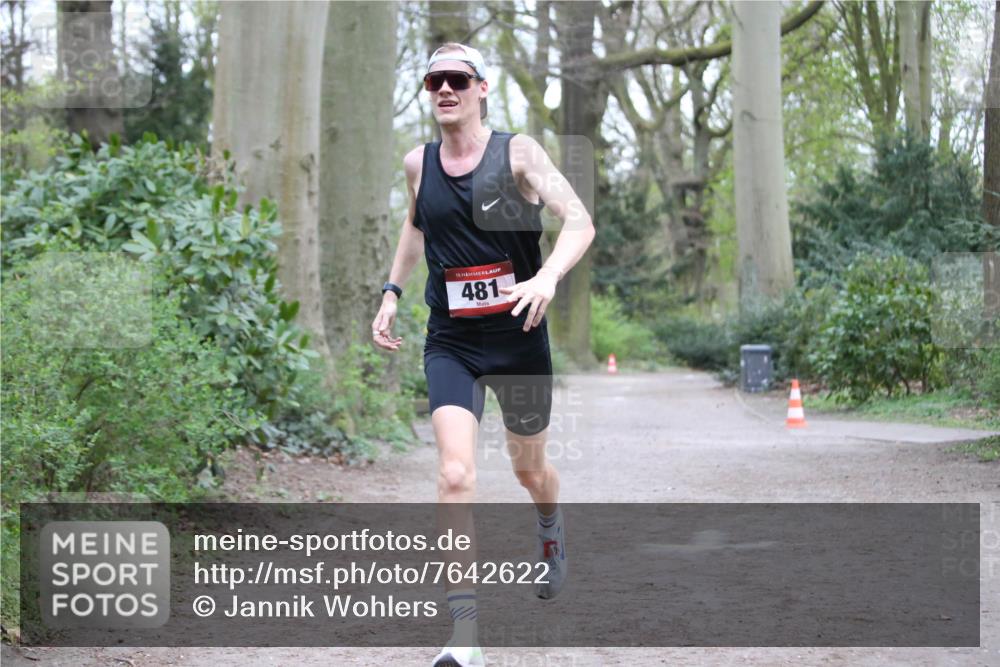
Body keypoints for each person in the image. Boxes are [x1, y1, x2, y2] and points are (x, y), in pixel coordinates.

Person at [371, 42, 595, 667]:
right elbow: (416, 227)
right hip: (453, 342)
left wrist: (547, 276)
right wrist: (391, 292)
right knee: (455, 475)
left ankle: (549, 525)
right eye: (434, 80)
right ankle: (465, 634)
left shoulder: (518, 154)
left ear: (482, 88)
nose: (445, 89)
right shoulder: (418, 163)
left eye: (458, 79)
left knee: (530, 471)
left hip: (520, 335)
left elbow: (579, 221)